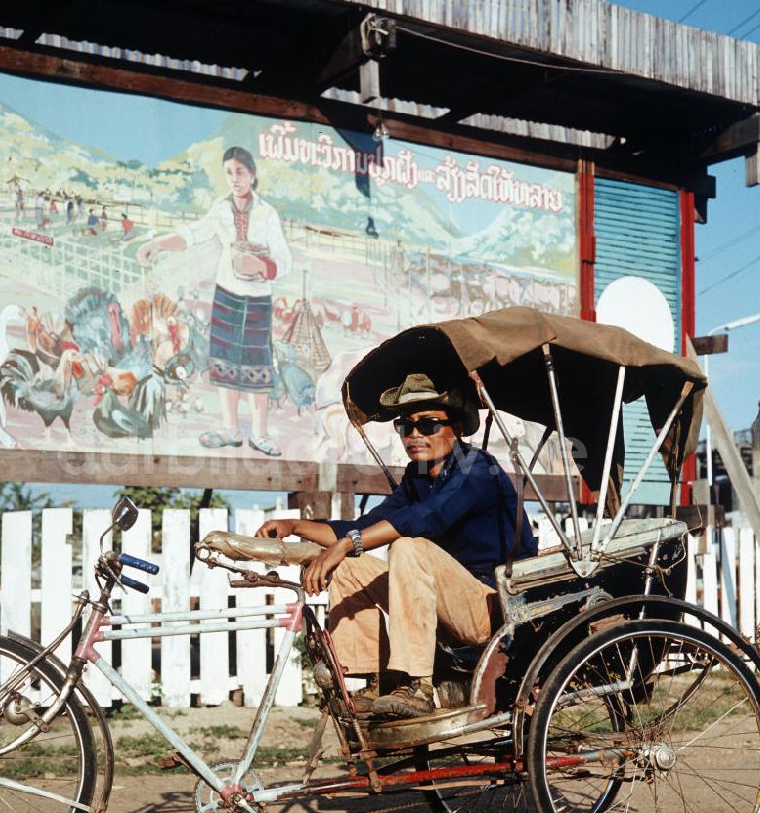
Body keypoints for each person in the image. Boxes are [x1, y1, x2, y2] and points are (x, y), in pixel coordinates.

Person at [256, 373, 537, 718]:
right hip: (444, 604)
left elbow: (426, 519)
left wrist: (347, 543)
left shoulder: (477, 468)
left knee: (407, 547)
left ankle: (417, 686)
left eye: (429, 425)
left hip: (492, 608)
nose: (415, 435)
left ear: (457, 429)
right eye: (406, 427)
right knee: (349, 563)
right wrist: (294, 526)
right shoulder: (417, 477)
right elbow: (363, 527)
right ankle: (376, 680)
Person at [138, 146, 291, 456]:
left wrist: (262, 267)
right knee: (223, 362)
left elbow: (284, 259)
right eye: (229, 173)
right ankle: (231, 429)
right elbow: (193, 233)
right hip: (227, 294)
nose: (235, 179)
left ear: (252, 175)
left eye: (240, 172)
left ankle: (259, 433)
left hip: (258, 300)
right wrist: (158, 244)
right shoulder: (220, 209)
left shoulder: (267, 213)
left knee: (256, 364)